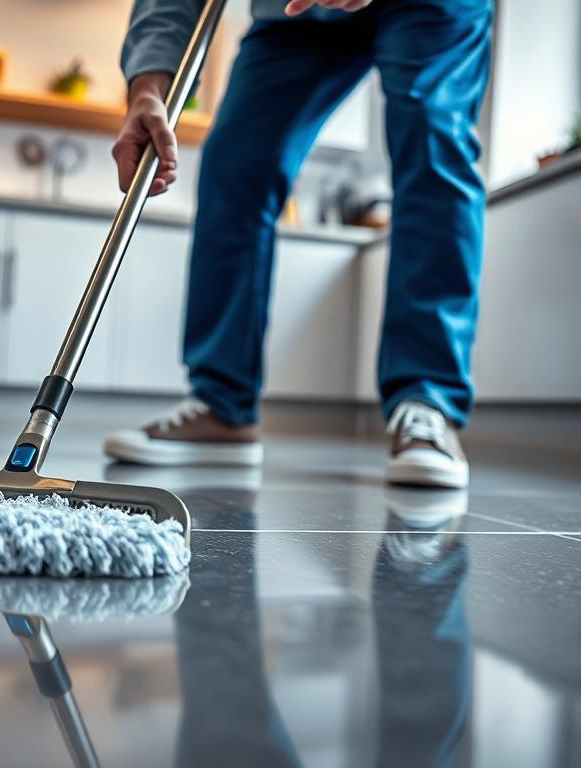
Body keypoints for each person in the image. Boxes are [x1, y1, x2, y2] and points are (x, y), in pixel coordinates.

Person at [102, 0, 493, 489]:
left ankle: (428, 400)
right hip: (292, 14)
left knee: (433, 141)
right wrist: (147, 88)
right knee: (236, 162)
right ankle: (224, 407)